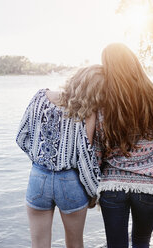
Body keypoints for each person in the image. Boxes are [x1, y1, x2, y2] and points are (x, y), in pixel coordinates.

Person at [94, 43, 153, 248]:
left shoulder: (103, 105)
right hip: (150, 186)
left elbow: (97, 151)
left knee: (116, 245)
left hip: (112, 185)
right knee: (142, 242)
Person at [16, 65, 103, 248]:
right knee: (75, 244)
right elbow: (85, 157)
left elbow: (21, 137)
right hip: (70, 181)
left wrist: (39, 159)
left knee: (38, 244)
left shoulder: (40, 97)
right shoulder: (88, 111)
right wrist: (94, 191)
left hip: (38, 177)